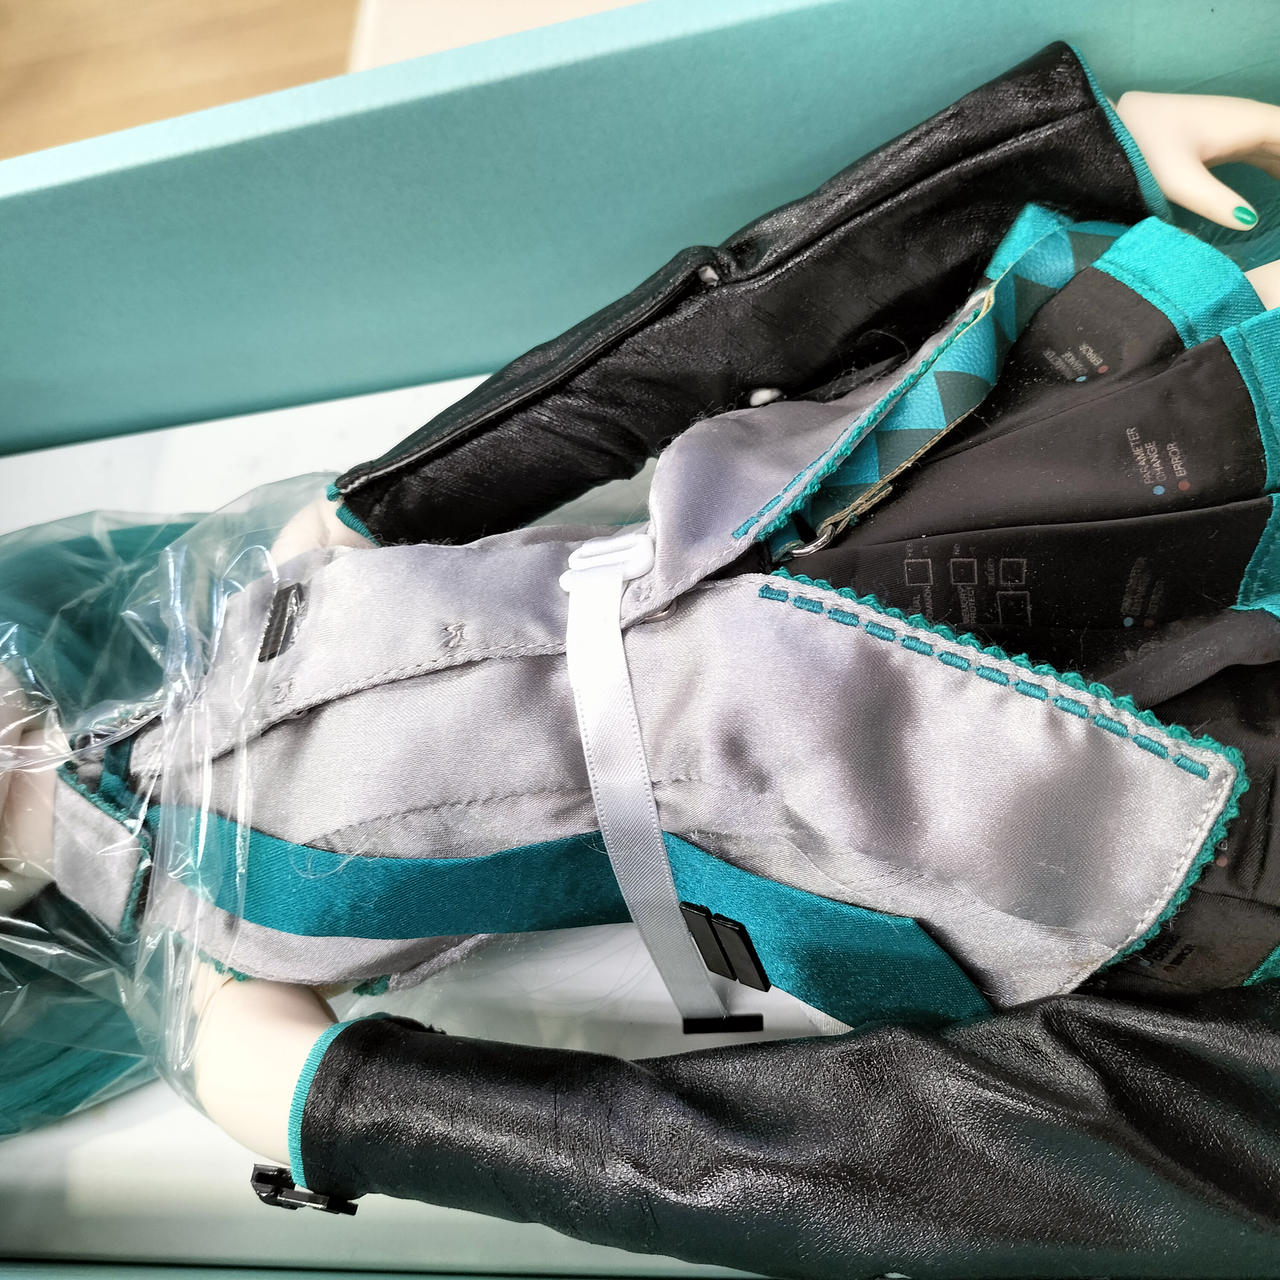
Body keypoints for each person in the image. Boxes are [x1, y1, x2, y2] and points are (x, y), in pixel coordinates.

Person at [2, 43, 1280, 1278]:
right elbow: (765, 1158)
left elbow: (654, 361)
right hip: (899, 804)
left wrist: (1032, 159)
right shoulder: (225, 949)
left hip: (885, 525)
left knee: (1194, 445)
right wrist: (338, 1107)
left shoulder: (256, 593)